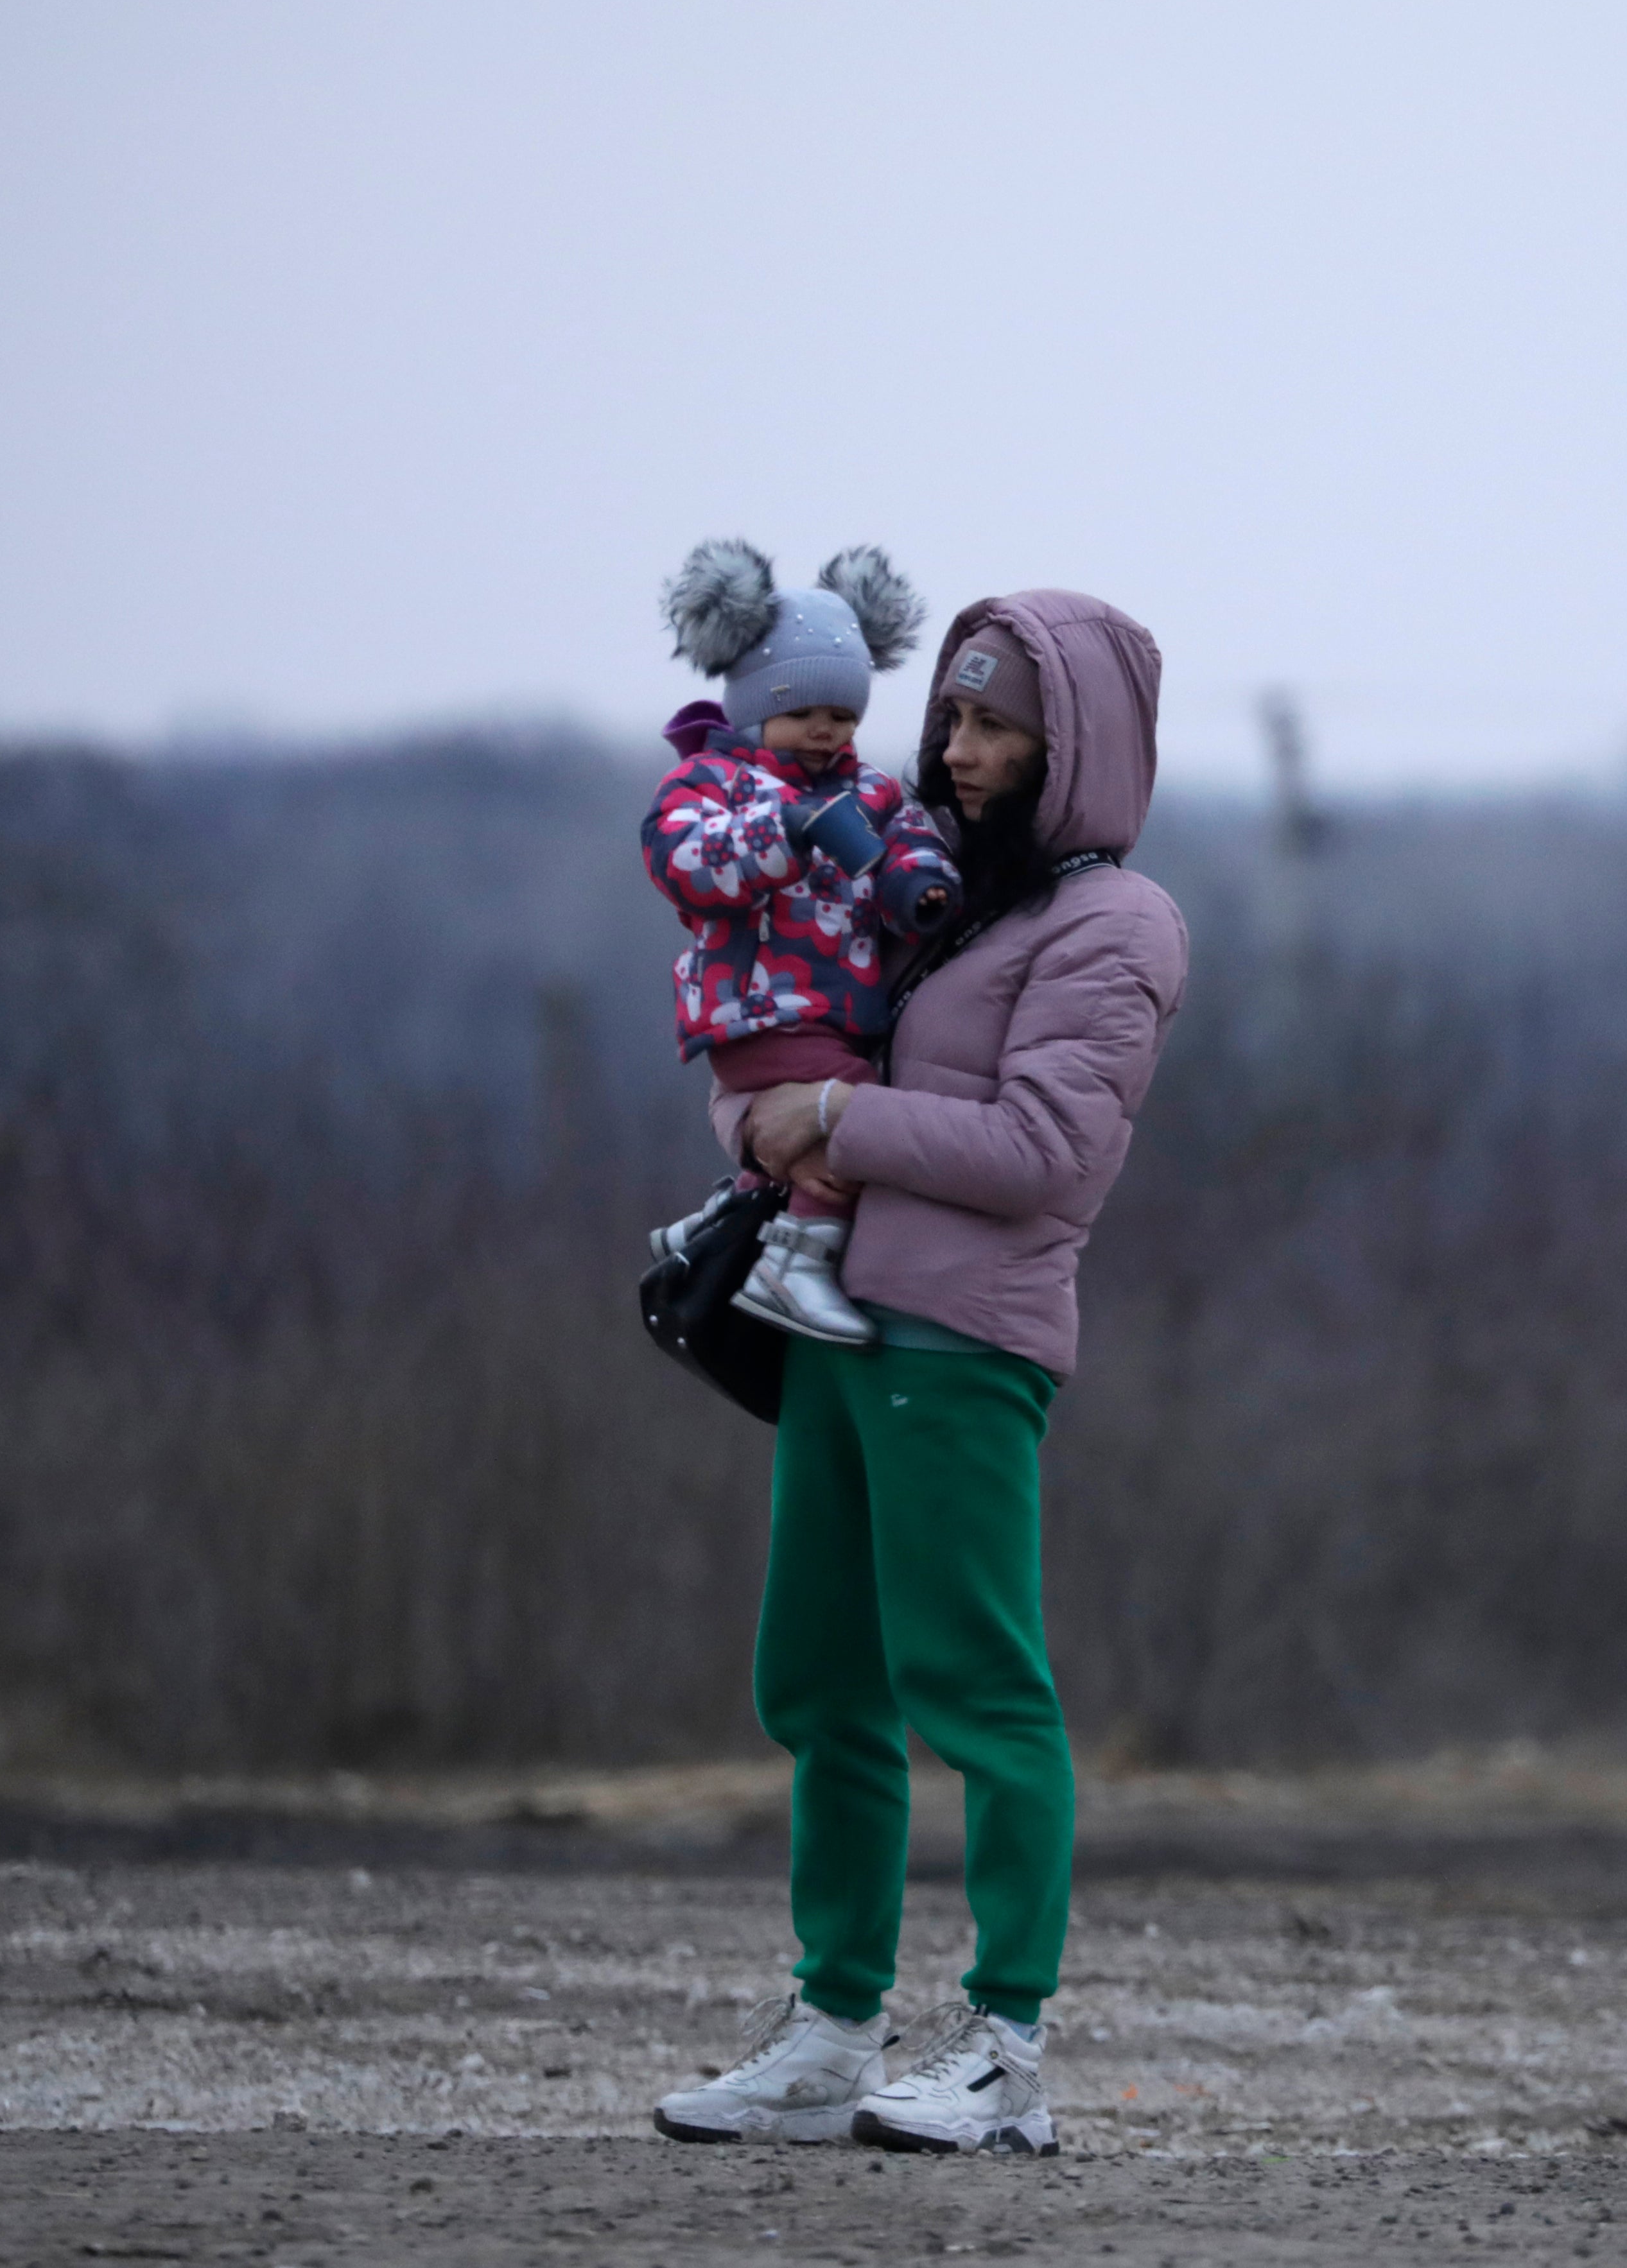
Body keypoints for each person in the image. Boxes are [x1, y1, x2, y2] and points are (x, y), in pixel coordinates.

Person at [651, 589, 1187, 2158]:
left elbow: (1042, 1152)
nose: (955, 751)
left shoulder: (1115, 925)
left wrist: (829, 1124)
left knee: (979, 1691)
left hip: (965, 1347)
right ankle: (832, 2038)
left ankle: (1006, 2054)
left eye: (995, 722)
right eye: (948, 717)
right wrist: (758, 1109)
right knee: (816, 1684)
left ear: (1071, 744)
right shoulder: (953, 903)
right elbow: (811, 1042)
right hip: (839, 1325)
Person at [641, 539, 964, 1344]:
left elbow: (908, 841)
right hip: (758, 1013)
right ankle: (797, 1262)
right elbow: (682, 863)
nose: (825, 733)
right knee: (858, 1116)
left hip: (836, 1012)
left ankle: (733, 1214)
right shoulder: (713, 785)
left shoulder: (872, 790)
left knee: (837, 1114)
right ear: (754, 705)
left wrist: (918, 886)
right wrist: (783, 830)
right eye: (803, 713)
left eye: (843, 715)